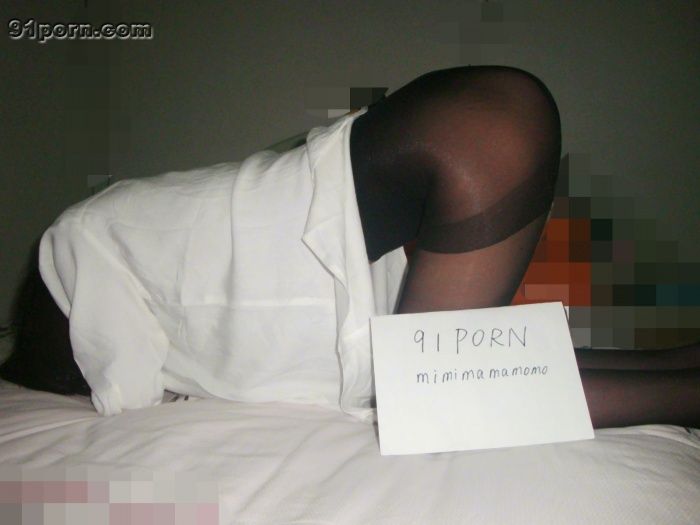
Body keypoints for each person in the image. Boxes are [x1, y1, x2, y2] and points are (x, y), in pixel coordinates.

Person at [8, 65, 699, 427]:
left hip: (472, 133)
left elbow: (125, 387)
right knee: (468, 368)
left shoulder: (73, 243)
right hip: (474, 123)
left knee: (437, 400)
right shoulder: (128, 230)